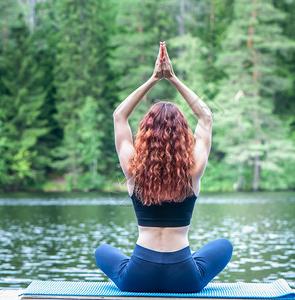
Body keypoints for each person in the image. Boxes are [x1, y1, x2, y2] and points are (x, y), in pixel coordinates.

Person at [94, 42, 233, 293]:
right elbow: (206, 117)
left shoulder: (133, 171)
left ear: (145, 134)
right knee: (224, 245)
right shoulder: (192, 172)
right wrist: (173, 77)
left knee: (102, 251)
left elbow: (119, 116)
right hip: (185, 279)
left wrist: (154, 78)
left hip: (137, 277)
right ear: (183, 135)